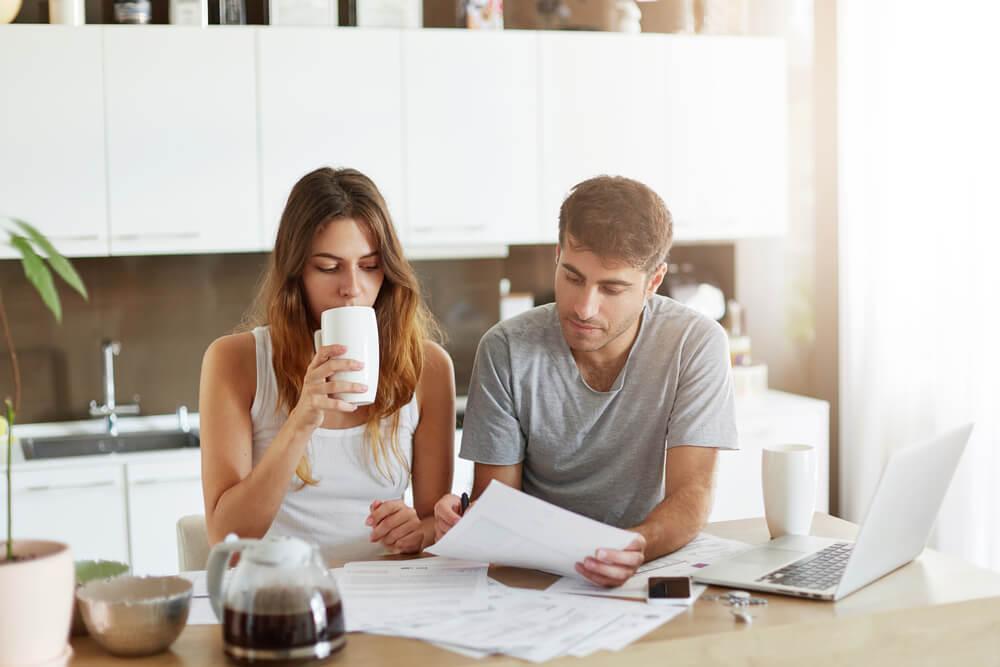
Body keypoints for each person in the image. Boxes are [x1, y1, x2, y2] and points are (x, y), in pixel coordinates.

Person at [434, 175, 737, 587]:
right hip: (533, 572)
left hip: (643, 564)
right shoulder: (505, 349)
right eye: (573, 277)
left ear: (653, 282)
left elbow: (691, 495)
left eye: (612, 288)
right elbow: (498, 505)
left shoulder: (695, 344)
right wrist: (471, 520)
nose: (584, 307)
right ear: (558, 255)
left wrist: (633, 546)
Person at [200, 167, 455, 560]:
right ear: (296, 271)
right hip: (280, 595)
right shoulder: (235, 362)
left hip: (385, 594)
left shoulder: (428, 368)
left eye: (369, 266)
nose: (352, 287)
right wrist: (303, 418)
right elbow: (225, 539)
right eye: (329, 267)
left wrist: (416, 531)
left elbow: (432, 522)